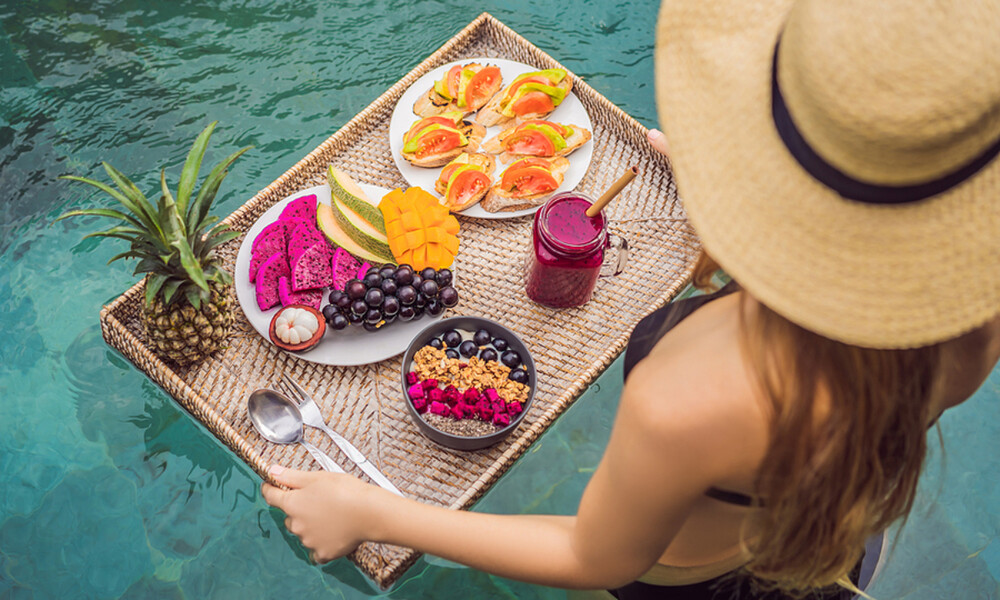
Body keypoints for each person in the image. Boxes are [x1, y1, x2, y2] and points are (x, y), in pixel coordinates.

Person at [262, 0, 1000, 597]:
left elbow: (594, 556)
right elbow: (853, 280)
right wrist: (735, 195)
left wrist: (377, 514)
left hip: (688, 581)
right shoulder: (973, 311)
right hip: (834, 537)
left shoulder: (691, 393)